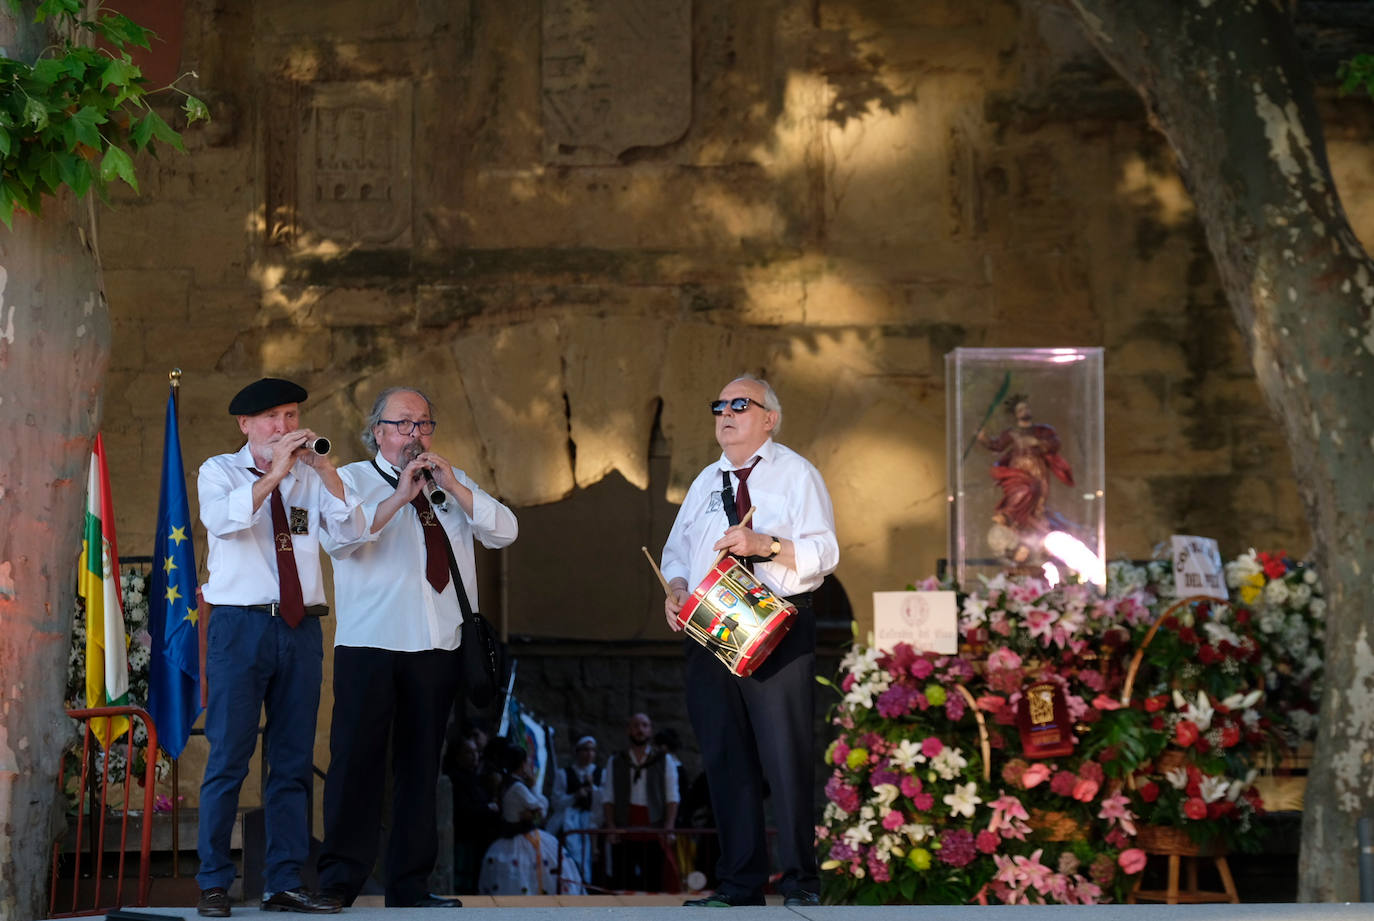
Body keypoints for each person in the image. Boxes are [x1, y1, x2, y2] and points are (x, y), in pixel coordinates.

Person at [315, 386, 518, 908]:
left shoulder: (452, 483)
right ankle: (339, 881)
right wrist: (401, 495)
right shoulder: (352, 480)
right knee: (356, 764)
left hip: (437, 646)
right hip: (371, 645)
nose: (414, 435)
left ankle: (410, 885)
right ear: (377, 431)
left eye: (423, 424)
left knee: (421, 767)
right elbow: (342, 537)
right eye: (403, 424)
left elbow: (505, 532)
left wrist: (454, 486)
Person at [661, 375, 839, 908]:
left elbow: (826, 552)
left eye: (741, 404)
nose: (726, 413)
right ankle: (739, 884)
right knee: (724, 755)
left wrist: (765, 544)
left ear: (769, 418)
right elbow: (677, 550)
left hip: (776, 625)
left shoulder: (796, 475)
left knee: (785, 757)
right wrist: (674, 590)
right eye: (719, 405)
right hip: (712, 627)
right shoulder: (702, 482)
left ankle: (801, 882)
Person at [195, 377, 365, 917]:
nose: (283, 427)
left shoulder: (308, 478)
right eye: (271, 417)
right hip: (240, 628)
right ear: (245, 424)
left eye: (291, 416)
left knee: (291, 761)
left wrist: (327, 473)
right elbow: (224, 521)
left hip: (300, 629)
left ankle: (283, 882)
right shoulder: (219, 471)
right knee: (228, 757)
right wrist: (274, 475)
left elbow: (351, 536)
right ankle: (215, 882)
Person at [478, 738, 585, 895]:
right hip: (520, 839)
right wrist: (534, 785)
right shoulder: (518, 787)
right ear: (522, 765)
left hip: (513, 836)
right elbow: (541, 808)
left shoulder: (507, 783)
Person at [975, 394, 1074, 565]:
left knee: (1038, 497)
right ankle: (1010, 516)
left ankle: (1034, 521)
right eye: (1020, 409)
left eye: (1026, 408)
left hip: (1037, 467)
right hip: (1018, 469)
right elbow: (997, 445)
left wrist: (1035, 441)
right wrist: (984, 439)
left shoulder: (1042, 430)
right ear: (1015, 414)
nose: (1024, 411)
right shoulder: (1011, 433)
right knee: (1025, 490)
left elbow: (1054, 443)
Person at [600, 713, 679, 891]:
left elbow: (672, 796)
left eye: (644, 725)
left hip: (654, 826)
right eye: (635, 725)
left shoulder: (664, 760)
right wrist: (611, 826)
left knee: (654, 882)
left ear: (650, 730)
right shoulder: (616, 761)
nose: (640, 730)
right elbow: (608, 797)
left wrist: (669, 826)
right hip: (624, 826)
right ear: (628, 730)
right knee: (623, 881)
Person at [547, 735, 601, 884]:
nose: (589, 754)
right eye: (585, 750)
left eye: (592, 750)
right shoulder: (564, 774)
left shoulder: (599, 774)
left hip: (592, 823)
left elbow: (602, 800)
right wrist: (575, 796)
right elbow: (556, 803)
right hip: (570, 823)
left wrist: (592, 788)